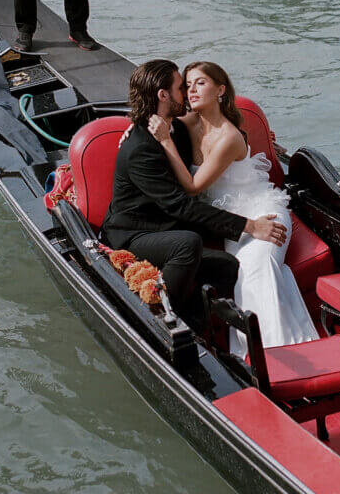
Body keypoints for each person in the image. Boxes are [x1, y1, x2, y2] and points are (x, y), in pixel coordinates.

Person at [102, 60, 287, 332]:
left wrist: (136, 120)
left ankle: (208, 331)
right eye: (182, 87)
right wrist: (249, 226)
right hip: (134, 233)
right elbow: (180, 205)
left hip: (168, 222)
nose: (188, 94)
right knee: (188, 243)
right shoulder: (141, 148)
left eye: (193, 85)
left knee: (227, 265)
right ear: (163, 95)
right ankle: (165, 319)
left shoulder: (174, 127)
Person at [148, 61, 318, 356]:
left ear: (221, 89)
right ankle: (280, 353)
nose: (191, 90)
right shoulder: (189, 123)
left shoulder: (229, 137)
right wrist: (134, 130)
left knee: (258, 267)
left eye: (200, 83)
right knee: (245, 270)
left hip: (263, 214)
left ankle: (276, 357)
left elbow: (193, 186)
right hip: (232, 223)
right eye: (187, 85)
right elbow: (154, 118)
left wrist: (165, 142)